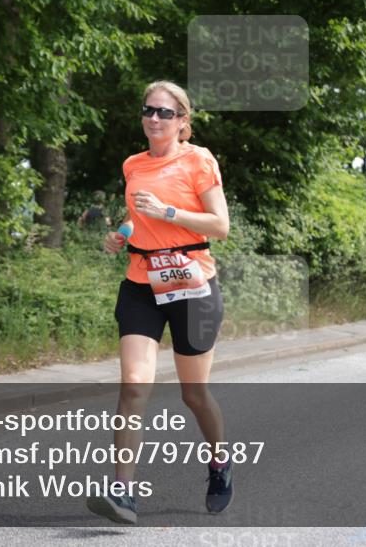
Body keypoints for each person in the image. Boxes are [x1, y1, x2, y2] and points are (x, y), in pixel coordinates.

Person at [90, 81, 232, 525]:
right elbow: (138, 215)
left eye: (165, 113)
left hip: (191, 285)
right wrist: (123, 234)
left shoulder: (198, 160)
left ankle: (219, 464)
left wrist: (169, 213)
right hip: (141, 283)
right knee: (133, 384)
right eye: (148, 111)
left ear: (183, 122)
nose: (154, 118)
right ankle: (124, 492)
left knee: (194, 394)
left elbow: (220, 225)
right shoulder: (133, 164)